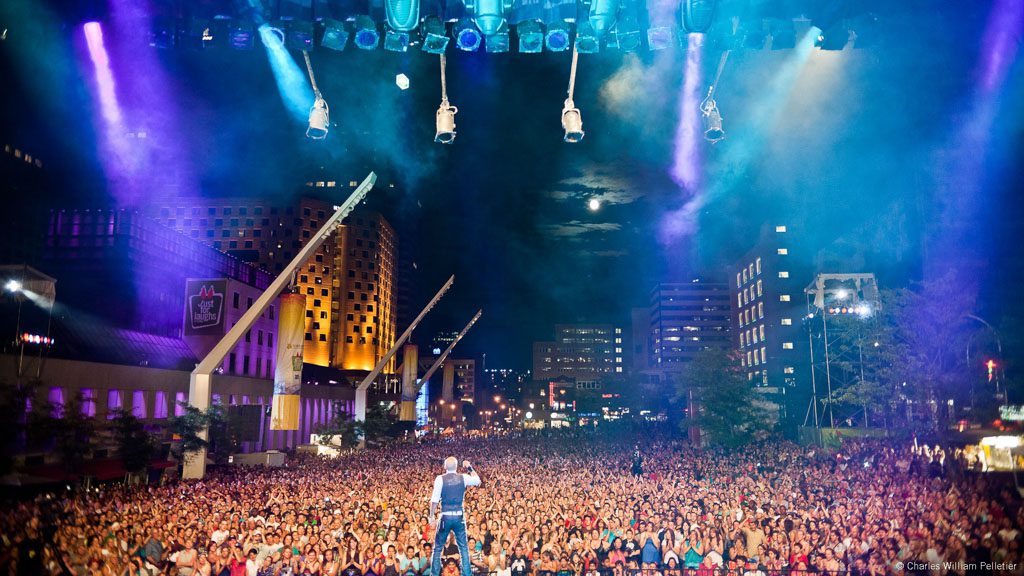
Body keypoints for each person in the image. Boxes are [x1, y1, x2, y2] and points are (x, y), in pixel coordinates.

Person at [429, 457, 481, 576]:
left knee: (437, 548)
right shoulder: (463, 477)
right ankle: (467, 574)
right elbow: (477, 481)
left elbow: (435, 500)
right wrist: (469, 467)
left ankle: (434, 574)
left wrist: (431, 517)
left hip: (445, 516)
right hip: (459, 516)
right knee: (463, 548)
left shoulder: (440, 479)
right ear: (457, 467)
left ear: (445, 467)